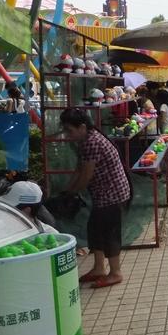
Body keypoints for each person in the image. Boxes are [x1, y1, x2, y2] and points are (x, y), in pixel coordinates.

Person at [60, 108, 131, 288]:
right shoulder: (86, 140)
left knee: (109, 233)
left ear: (82, 127)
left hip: (112, 195)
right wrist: (68, 190)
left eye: (70, 130)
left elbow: (86, 175)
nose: (68, 134)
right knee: (95, 229)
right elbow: (79, 169)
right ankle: (99, 268)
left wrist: (72, 192)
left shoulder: (92, 142)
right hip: (103, 195)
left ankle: (115, 272)